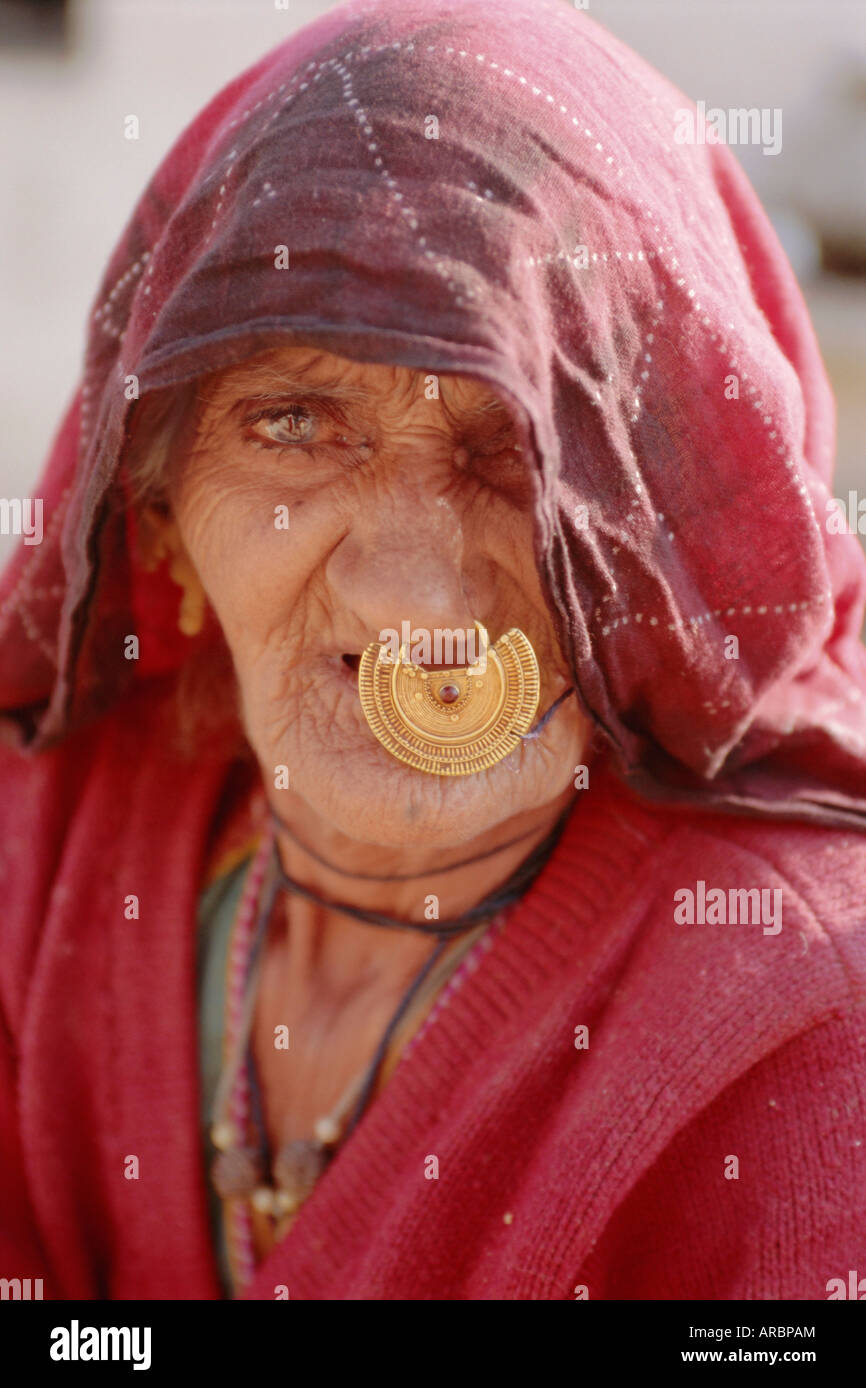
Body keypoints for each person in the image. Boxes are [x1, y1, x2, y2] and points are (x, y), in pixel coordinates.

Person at [1, 0, 864, 1301]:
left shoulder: (800, 1017)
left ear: (659, 527)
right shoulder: (49, 846)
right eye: (294, 422)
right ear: (159, 522)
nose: (414, 587)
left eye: (518, 447)